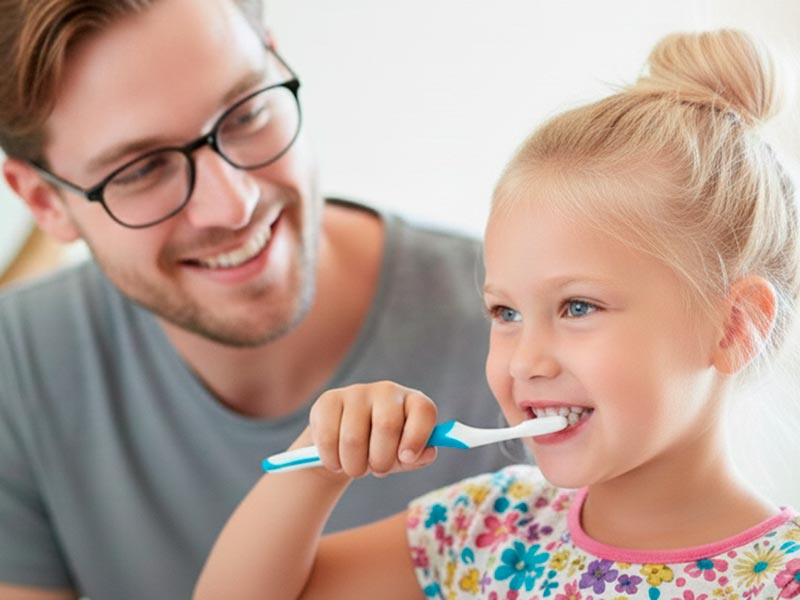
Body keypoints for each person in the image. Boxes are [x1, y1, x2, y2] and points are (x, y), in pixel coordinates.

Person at [194, 29, 800, 600]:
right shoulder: (490, 529)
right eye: (505, 312)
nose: (526, 362)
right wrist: (320, 460)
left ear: (734, 326)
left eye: (577, 306)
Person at [0, 1, 515, 598]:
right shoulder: (16, 376)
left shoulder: (533, 328)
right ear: (42, 200)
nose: (233, 205)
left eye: (246, 113)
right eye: (142, 170)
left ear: (277, 58)